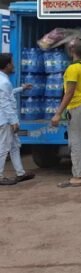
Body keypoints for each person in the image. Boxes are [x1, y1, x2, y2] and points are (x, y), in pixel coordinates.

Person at [51, 39, 81, 188]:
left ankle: (78, 176)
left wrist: (58, 113)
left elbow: (69, 92)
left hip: (77, 107)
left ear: (72, 51)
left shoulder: (72, 69)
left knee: (76, 142)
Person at [0, 54, 34, 186]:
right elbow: (5, 103)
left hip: (6, 119)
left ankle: (21, 173)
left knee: (14, 146)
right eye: (12, 63)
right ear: (7, 65)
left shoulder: (3, 80)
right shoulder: (4, 82)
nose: (13, 65)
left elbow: (7, 94)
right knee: (3, 147)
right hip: (6, 120)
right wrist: (13, 121)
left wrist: (21, 88)